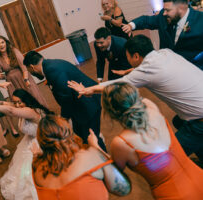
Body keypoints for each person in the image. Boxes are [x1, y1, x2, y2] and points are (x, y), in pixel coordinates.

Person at [68, 35, 203, 164]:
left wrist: (89, 89)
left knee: (169, 158)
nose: (127, 60)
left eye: (128, 57)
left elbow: (118, 84)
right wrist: (130, 71)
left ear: (136, 56)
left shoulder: (147, 71)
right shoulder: (165, 53)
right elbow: (147, 69)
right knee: (178, 121)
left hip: (200, 120)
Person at [102, 82, 203, 199]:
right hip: (198, 176)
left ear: (110, 113)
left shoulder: (121, 143)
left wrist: (97, 150)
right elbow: (139, 100)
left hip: (174, 195)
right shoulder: (151, 106)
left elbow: (119, 184)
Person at [32, 115, 131, 200]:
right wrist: (96, 148)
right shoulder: (90, 156)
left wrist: (36, 156)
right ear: (69, 132)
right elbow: (124, 189)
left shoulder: (36, 168)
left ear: (42, 143)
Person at [23, 51, 106, 151]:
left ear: (32, 67)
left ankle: (105, 161)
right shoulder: (50, 65)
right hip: (80, 106)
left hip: (87, 105)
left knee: (91, 137)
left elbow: (66, 97)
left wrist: (63, 119)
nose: (31, 74)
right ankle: (91, 157)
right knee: (79, 135)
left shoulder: (52, 70)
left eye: (29, 71)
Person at [0, 89, 53, 200]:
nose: (17, 105)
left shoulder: (30, 111)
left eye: (20, 102)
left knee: (32, 172)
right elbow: (3, 103)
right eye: (15, 102)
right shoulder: (21, 107)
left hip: (40, 143)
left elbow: (11, 111)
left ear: (26, 100)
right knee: (22, 173)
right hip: (30, 140)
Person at [122, 0, 203, 68]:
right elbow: (147, 20)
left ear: (181, 8)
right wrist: (131, 25)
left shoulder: (200, 20)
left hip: (192, 70)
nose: (164, 13)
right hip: (167, 68)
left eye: (168, 10)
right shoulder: (164, 16)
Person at [0, 35, 48, 107]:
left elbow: (23, 66)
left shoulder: (14, 51)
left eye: (2, 42)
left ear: (6, 43)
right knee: (19, 102)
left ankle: (44, 113)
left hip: (23, 76)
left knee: (34, 95)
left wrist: (26, 79)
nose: (1, 45)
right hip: (12, 82)